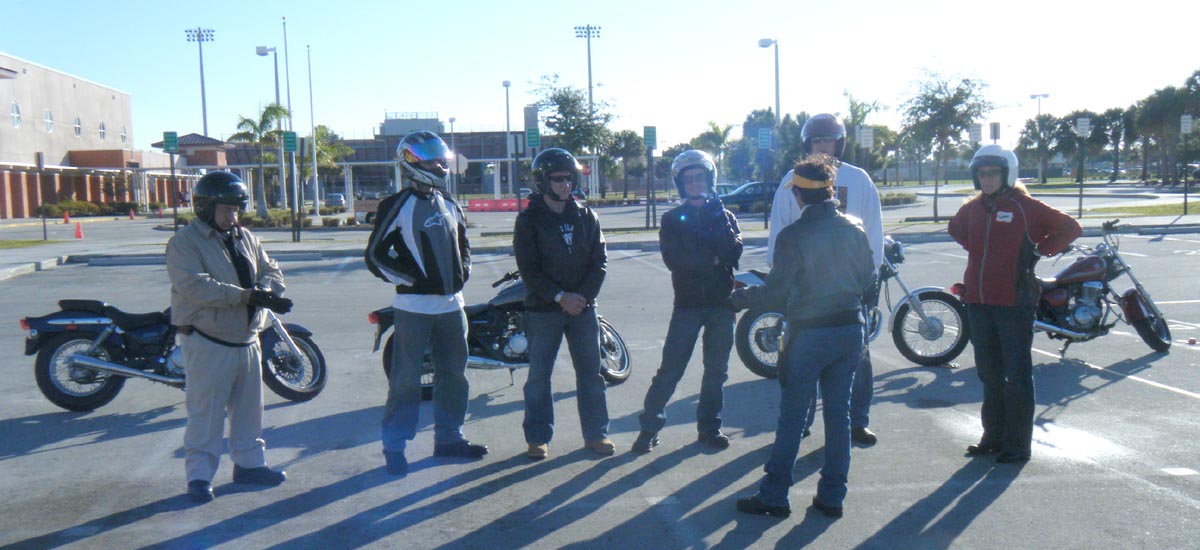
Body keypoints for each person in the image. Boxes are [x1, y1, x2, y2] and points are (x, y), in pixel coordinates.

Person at [730, 155, 874, 519]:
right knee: (839, 415)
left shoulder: (793, 235)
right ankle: (832, 496)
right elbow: (867, 279)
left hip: (810, 333)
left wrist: (738, 299)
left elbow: (775, 293)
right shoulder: (855, 229)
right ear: (830, 191)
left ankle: (775, 495)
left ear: (798, 194)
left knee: (793, 417)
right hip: (850, 329)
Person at [948, 145, 1081, 464]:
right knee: (988, 373)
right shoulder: (973, 208)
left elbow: (1070, 228)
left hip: (1013, 303)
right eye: (981, 173)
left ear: (1007, 174)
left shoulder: (1024, 206)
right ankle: (992, 437)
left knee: (1016, 375)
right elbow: (956, 229)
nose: (987, 179)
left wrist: (1039, 250)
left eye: (993, 173)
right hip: (978, 302)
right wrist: (978, 249)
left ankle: (1018, 444)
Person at [166, 171, 292, 503]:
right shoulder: (185, 243)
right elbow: (195, 286)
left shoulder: (245, 237)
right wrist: (246, 296)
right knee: (206, 413)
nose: (232, 216)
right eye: (226, 209)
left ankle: (250, 464)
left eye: (236, 209)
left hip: (247, 340)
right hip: (209, 340)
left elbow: (272, 270)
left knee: (250, 411)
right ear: (205, 207)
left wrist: (265, 289)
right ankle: (199, 477)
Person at [366, 131, 486, 477]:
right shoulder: (397, 204)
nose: (438, 165)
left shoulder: (448, 201)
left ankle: (450, 438)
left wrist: (463, 271)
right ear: (411, 162)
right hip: (414, 308)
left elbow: (463, 243)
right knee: (405, 381)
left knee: (454, 377)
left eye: (439, 158)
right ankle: (394, 447)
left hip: (452, 307)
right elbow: (375, 255)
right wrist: (411, 279)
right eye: (430, 159)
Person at [767, 113, 884, 446]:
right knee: (799, 361)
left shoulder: (859, 180)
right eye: (816, 140)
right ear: (807, 144)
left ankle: (857, 422)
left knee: (858, 360)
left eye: (828, 140)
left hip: (848, 290)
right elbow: (780, 232)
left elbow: (873, 234)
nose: (822, 146)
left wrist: (869, 283)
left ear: (839, 143)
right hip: (805, 292)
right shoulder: (792, 181)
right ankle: (801, 422)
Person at [633, 150, 743, 453]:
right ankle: (649, 428)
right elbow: (676, 260)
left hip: (721, 304)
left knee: (716, 372)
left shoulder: (725, 216)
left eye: (700, 178)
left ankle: (709, 428)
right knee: (670, 370)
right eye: (689, 179)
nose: (695, 183)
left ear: (709, 179)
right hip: (687, 305)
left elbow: (733, 253)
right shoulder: (672, 219)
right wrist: (713, 260)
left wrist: (717, 221)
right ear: (682, 184)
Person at [513, 147, 613, 459]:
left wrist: (583, 298)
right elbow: (529, 270)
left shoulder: (587, 216)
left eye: (569, 178)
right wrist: (560, 296)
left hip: (583, 309)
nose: (565, 184)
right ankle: (538, 438)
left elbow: (599, 262)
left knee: (591, 375)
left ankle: (596, 434)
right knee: (539, 377)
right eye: (558, 179)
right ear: (543, 181)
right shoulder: (528, 221)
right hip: (544, 310)